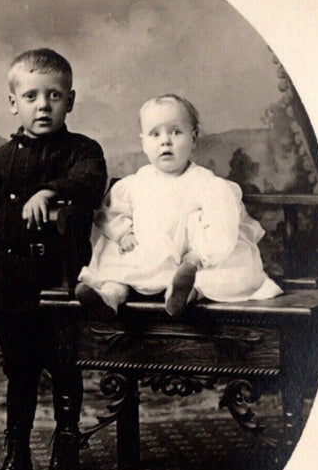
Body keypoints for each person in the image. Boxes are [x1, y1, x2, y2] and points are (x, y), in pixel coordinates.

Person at [0, 49, 107, 470]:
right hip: (8, 283)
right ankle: (17, 456)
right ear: (13, 103)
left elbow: (90, 182)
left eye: (54, 95)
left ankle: (65, 447)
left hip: (59, 283)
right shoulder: (0, 161)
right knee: (19, 372)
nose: (43, 105)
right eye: (32, 95)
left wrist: (49, 190)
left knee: (64, 366)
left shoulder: (83, 151)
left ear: (71, 100)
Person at [76, 94, 281, 320]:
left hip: (192, 259)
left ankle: (181, 294)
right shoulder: (136, 183)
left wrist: (199, 255)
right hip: (145, 254)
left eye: (176, 132)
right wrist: (124, 233)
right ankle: (109, 297)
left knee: (209, 278)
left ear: (193, 138)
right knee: (117, 269)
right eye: (155, 134)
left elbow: (222, 222)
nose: (166, 141)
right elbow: (110, 213)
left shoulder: (207, 184)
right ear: (144, 143)